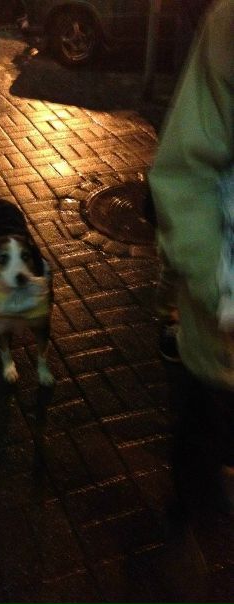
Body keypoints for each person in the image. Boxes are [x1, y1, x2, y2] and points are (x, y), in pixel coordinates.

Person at [149, 0, 234, 516]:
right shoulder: (229, 26)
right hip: (221, 339)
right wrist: (219, 291)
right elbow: (183, 174)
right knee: (201, 440)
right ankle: (187, 512)